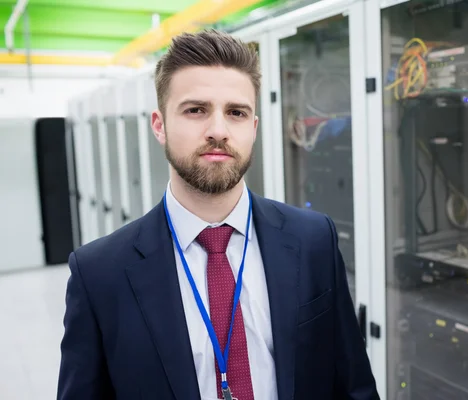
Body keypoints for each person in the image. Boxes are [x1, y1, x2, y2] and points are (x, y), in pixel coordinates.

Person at [57, 29, 379, 400]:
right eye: (196, 110)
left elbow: (354, 384)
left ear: (253, 128)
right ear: (159, 125)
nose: (218, 131)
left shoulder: (313, 239)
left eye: (236, 113)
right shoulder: (100, 273)